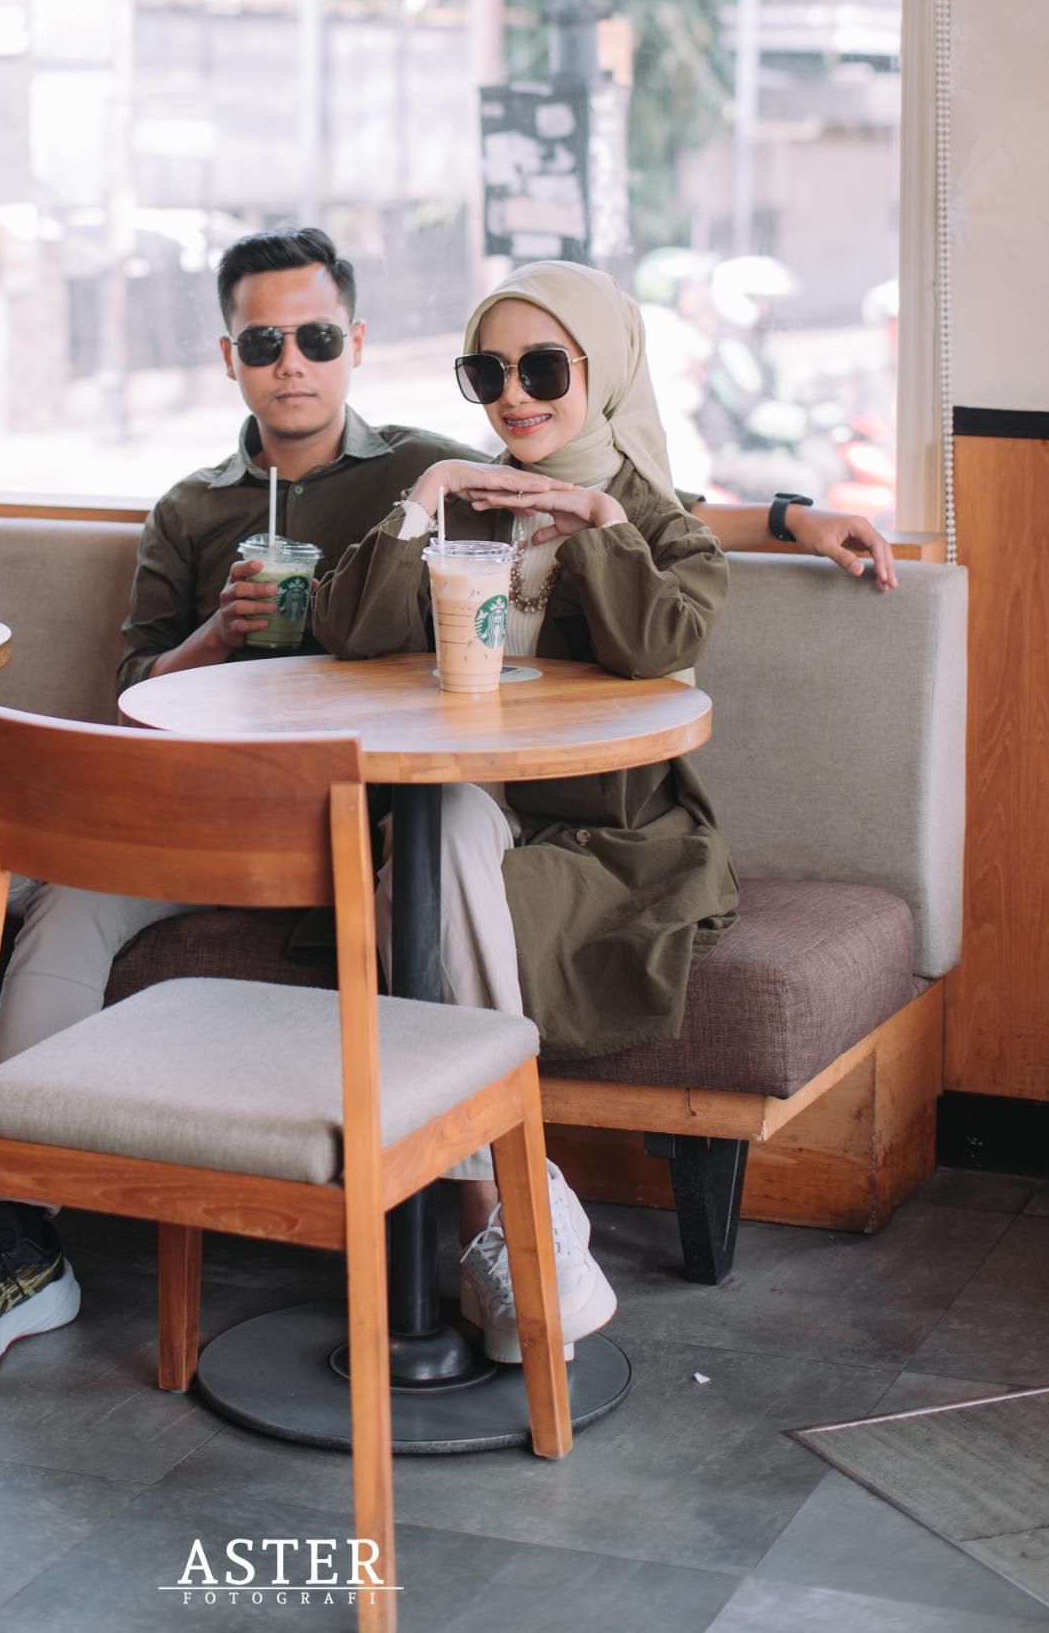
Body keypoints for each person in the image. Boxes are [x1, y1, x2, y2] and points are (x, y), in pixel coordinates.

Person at [0, 229, 891, 1366]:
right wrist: (220, 632)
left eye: (317, 338)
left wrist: (793, 517)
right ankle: (15, 1231)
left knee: (414, 835)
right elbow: (133, 692)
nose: (292, 363)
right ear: (229, 355)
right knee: (75, 899)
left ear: (355, 344)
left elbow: (612, 488)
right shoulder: (200, 506)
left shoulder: (432, 469)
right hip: (219, 804)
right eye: (264, 343)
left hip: (377, 808)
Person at [309, 258, 738, 1369]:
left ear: (603, 372)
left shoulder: (663, 522)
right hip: (471, 806)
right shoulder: (467, 501)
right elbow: (348, 633)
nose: (513, 394)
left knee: (416, 889)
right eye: (486, 372)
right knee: (441, 824)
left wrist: (598, 520)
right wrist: (421, 498)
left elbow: (659, 645)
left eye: (543, 368)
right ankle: (512, 1205)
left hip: (610, 839)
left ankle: (489, 1216)